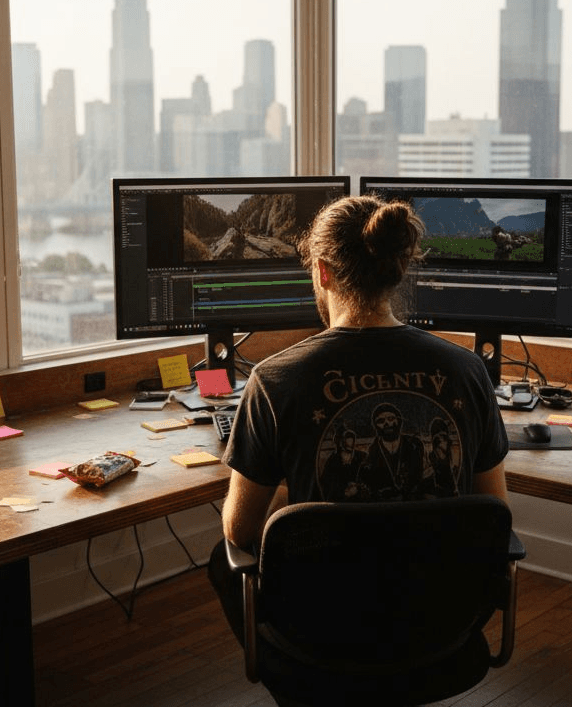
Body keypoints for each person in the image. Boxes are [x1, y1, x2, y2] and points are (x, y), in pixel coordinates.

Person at [207, 194, 509, 640]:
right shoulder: (468, 372)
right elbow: (495, 513)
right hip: (442, 621)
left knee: (223, 557)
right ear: (400, 268)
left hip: (322, 624)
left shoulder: (274, 381)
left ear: (323, 271)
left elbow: (239, 528)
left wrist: (292, 486)